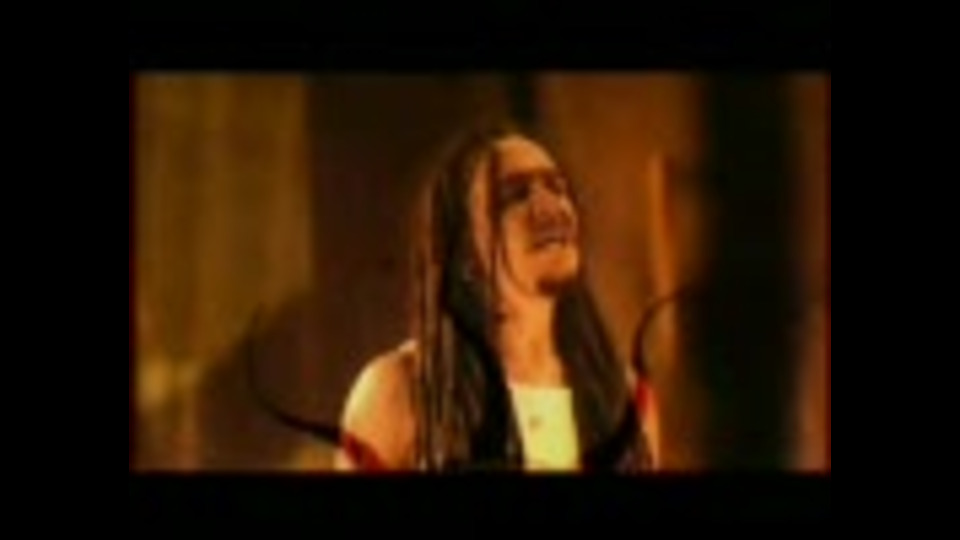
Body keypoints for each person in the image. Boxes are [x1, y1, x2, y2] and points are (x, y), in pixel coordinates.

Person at [334, 121, 660, 472]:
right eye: (514, 196)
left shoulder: (626, 398)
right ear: (464, 254)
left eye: (557, 187)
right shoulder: (398, 391)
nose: (550, 206)